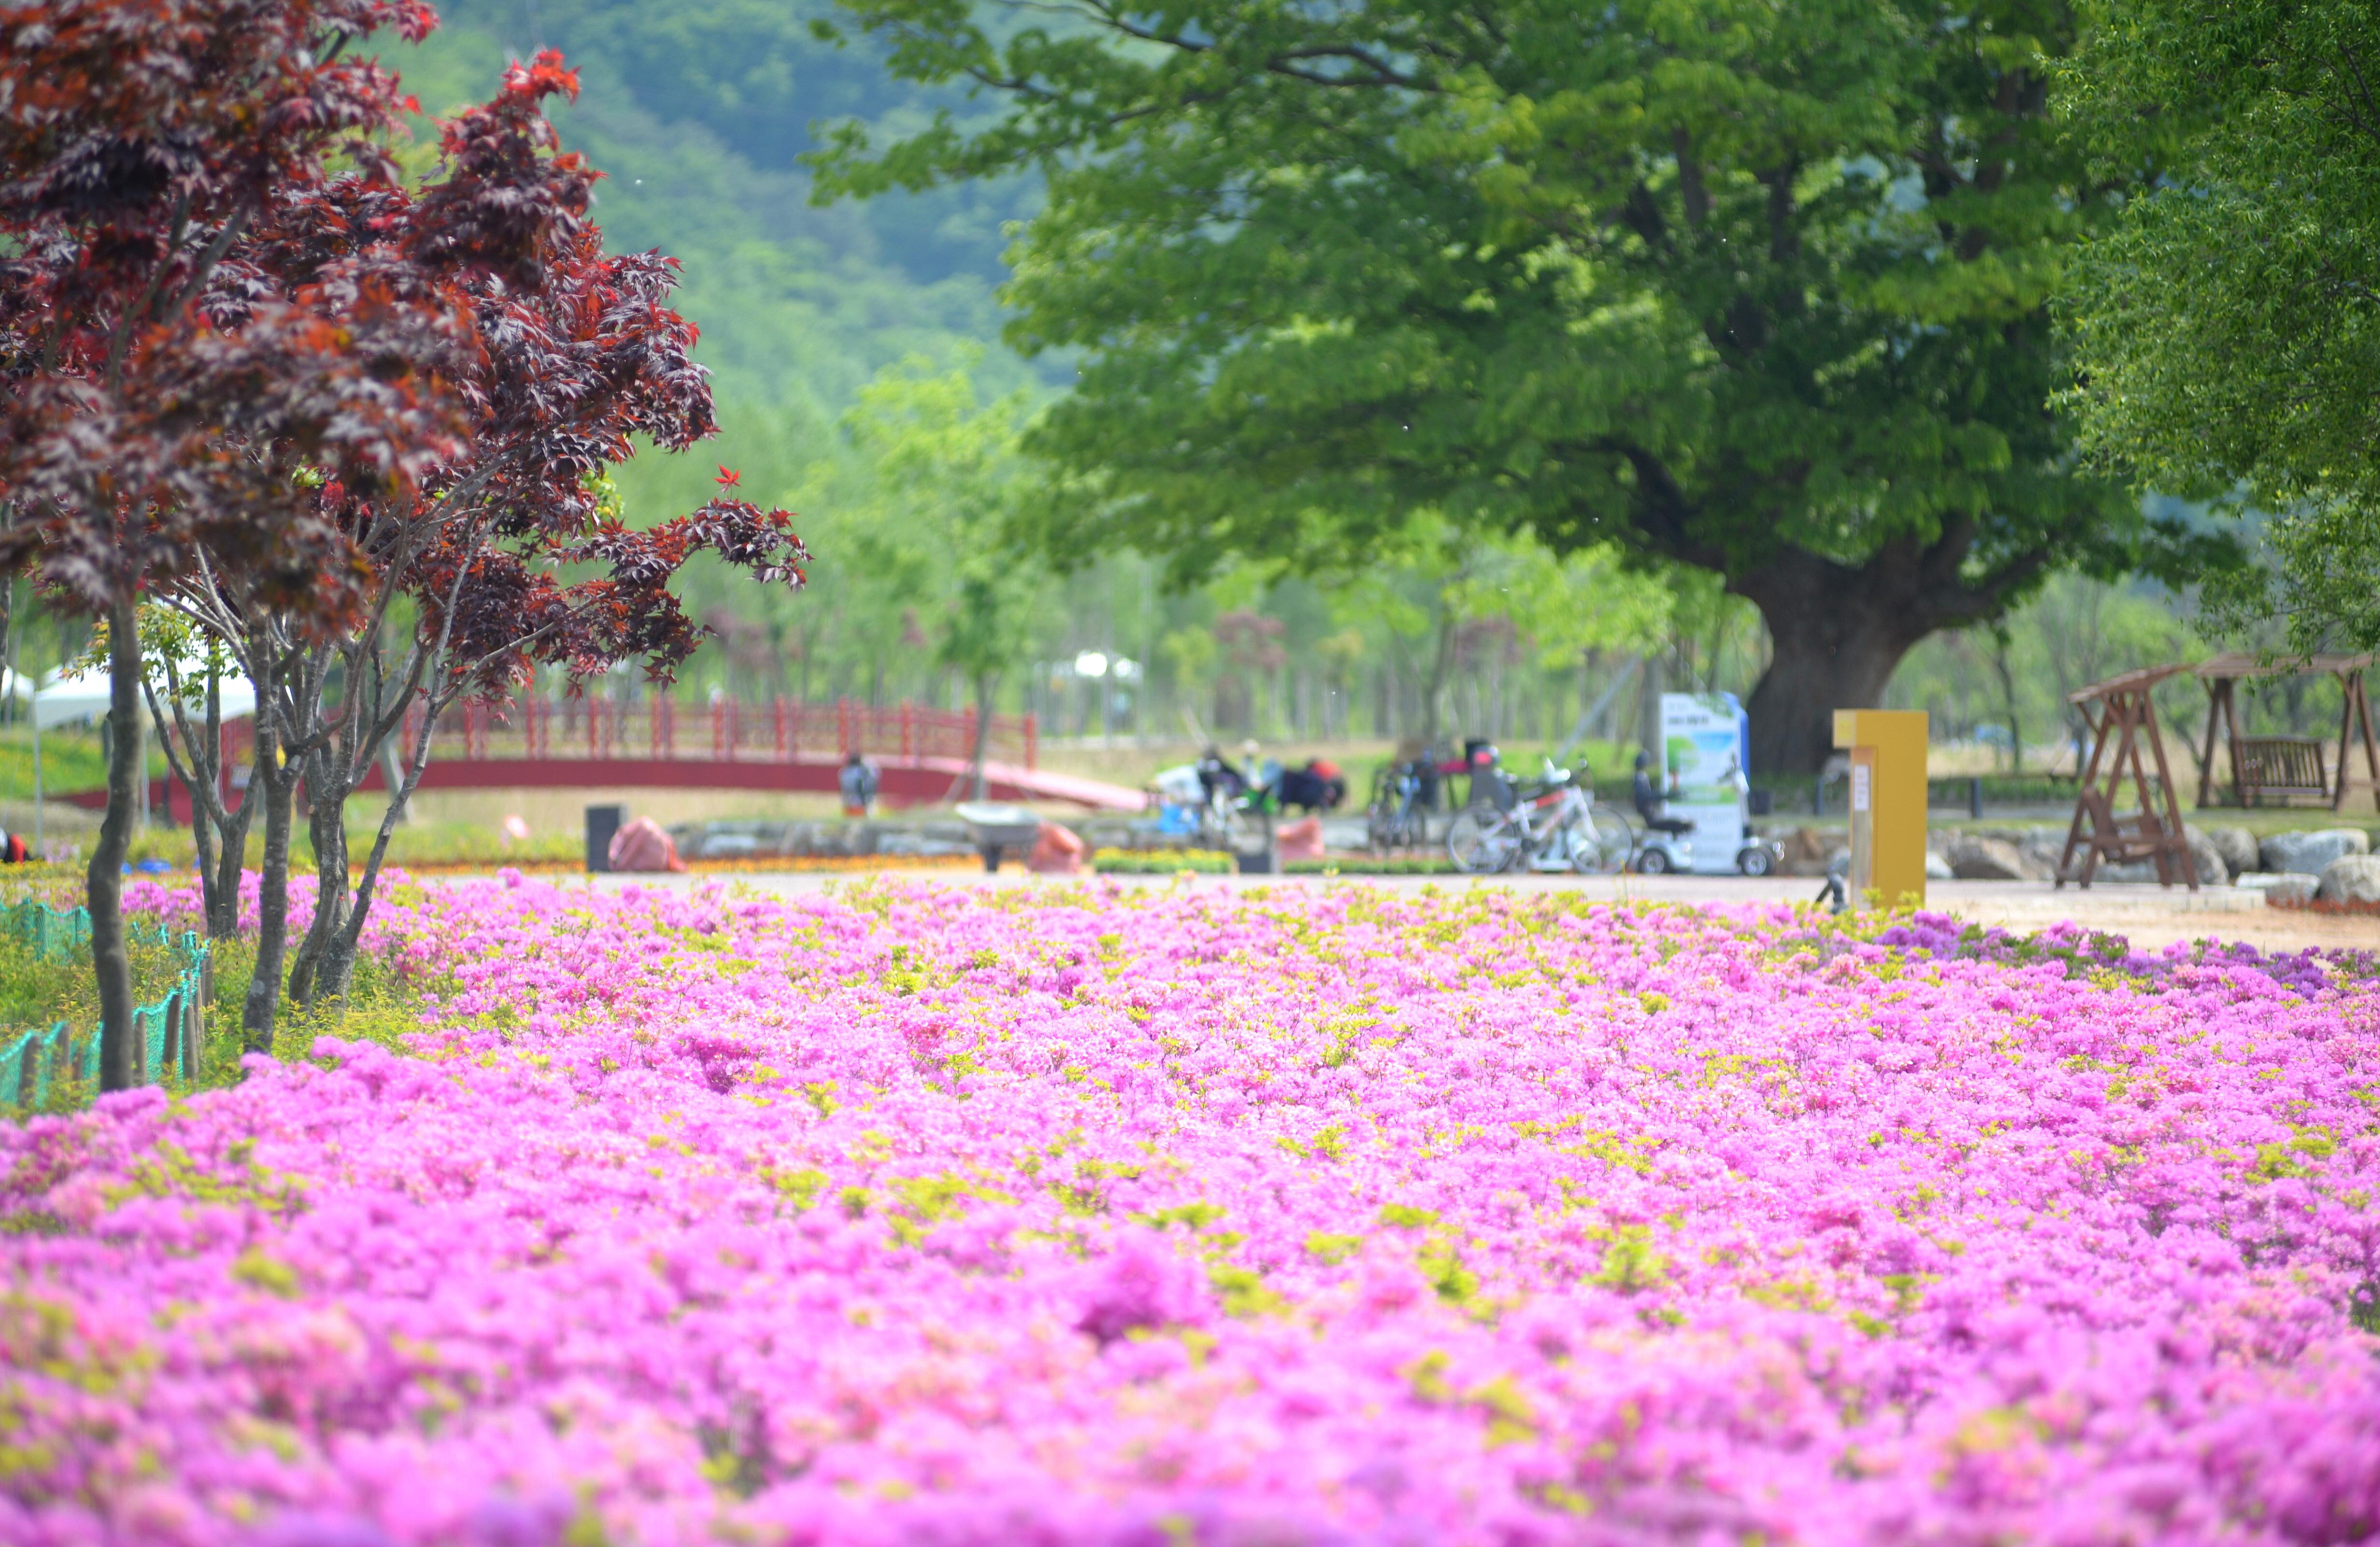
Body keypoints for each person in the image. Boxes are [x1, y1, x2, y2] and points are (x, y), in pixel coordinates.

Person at [1631, 749, 1693, 837]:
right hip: (1651, 817)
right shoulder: (1640, 778)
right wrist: (1669, 796)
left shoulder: (1642, 777)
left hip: (1652, 814)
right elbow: (1648, 796)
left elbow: (1653, 794)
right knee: (1684, 824)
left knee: (1686, 823)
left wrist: (1670, 795)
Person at [838, 752, 878, 818]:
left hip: (849, 803)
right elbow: (865, 787)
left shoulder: (844, 773)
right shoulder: (862, 772)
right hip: (861, 804)